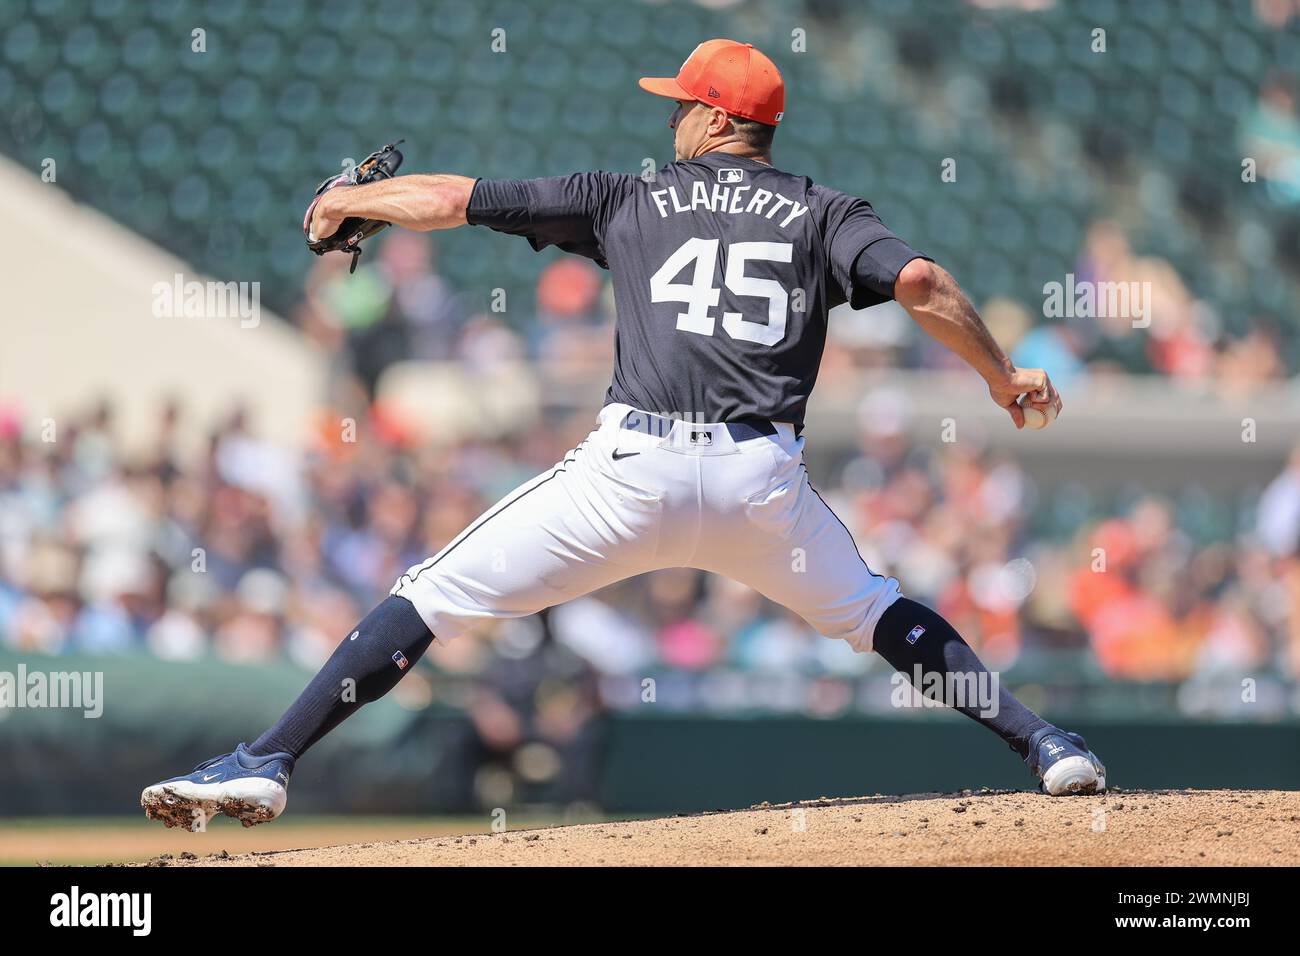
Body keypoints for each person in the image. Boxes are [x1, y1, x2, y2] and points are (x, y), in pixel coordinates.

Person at [142, 39, 1103, 830]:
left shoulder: (629, 197)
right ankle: (1046, 746)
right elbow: (924, 285)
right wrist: (1002, 376)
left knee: (431, 597)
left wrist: (346, 203)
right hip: (756, 484)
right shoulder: (825, 212)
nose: (672, 118)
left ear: (721, 120)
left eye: (684, 105)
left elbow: (456, 197)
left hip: (628, 474)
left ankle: (266, 761)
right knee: (880, 615)